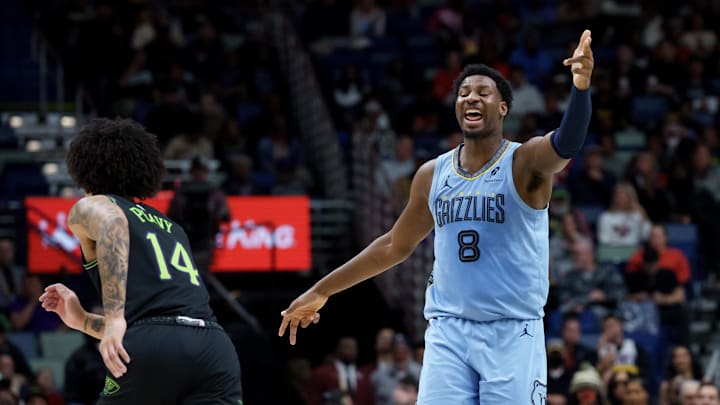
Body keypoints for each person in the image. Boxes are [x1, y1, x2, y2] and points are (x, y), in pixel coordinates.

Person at [279, 30, 596, 403]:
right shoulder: (433, 174)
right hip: (449, 331)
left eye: (483, 92)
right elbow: (394, 245)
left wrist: (581, 86)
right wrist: (322, 289)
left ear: (503, 108)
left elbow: (567, 143)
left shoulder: (523, 161)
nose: (471, 98)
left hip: (512, 332)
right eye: (463, 93)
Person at [38, 118, 242, 404]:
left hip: (153, 344)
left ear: (83, 171)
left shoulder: (94, 205)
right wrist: (83, 320)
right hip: (214, 348)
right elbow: (165, 319)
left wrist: (115, 317)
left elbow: (112, 224)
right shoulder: (172, 227)